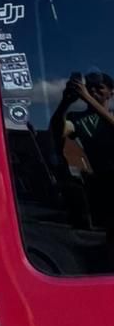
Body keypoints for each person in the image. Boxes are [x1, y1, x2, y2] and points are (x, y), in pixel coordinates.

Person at [52, 72, 114, 237]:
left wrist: (87, 98)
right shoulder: (78, 118)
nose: (93, 91)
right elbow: (58, 130)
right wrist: (65, 103)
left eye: (99, 88)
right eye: (89, 88)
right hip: (101, 183)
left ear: (111, 92)